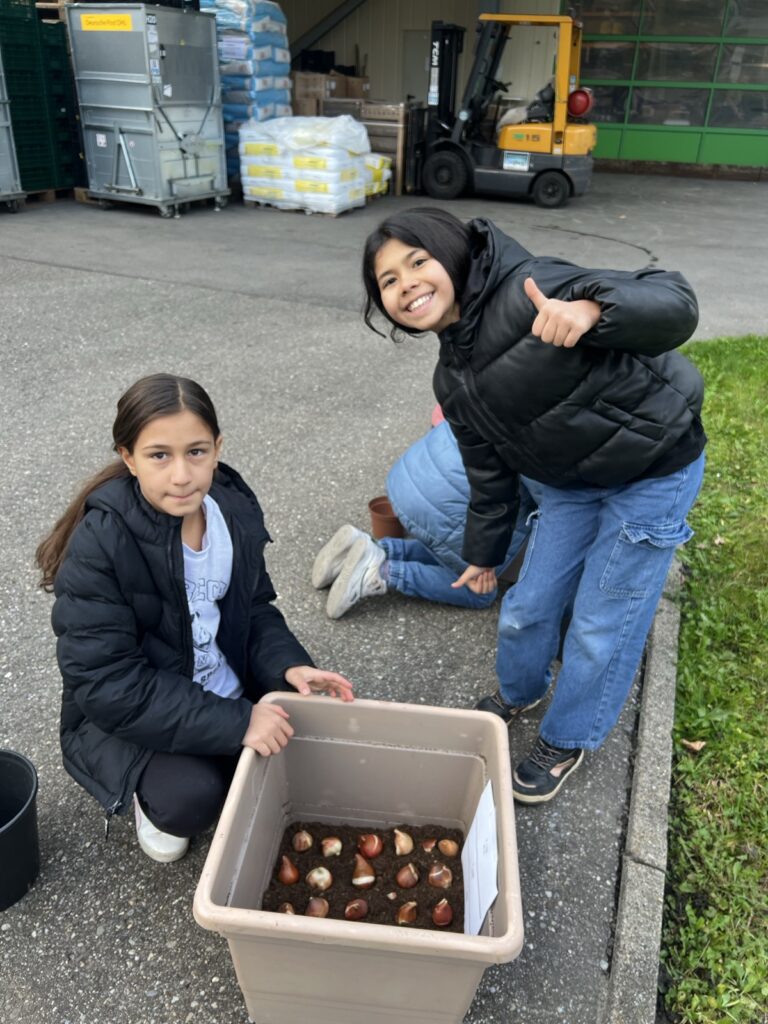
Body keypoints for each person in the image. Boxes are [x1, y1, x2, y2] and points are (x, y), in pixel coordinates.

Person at [361, 207, 706, 805]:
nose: (406, 284)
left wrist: (594, 311)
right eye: (388, 280)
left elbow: (675, 301)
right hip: (570, 484)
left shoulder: (532, 286)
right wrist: (483, 555)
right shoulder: (452, 379)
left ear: (453, 253)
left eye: (418, 262)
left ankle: (567, 737)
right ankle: (522, 692)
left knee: (600, 621)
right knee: (526, 606)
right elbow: (489, 474)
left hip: (653, 471)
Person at [36, 374, 353, 862]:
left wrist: (288, 665)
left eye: (197, 452)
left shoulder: (231, 509)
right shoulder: (100, 544)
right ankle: (146, 796)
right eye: (159, 455)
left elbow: (254, 607)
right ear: (128, 458)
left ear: (217, 448)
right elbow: (107, 684)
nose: (182, 475)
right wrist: (238, 721)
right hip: (132, 715)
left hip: (219, 687)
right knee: (192, 798)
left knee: (314, 741)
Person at [313, 416, 532, 618]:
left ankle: (373, 547)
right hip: (453, 504)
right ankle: (378, 572)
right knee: (481, 591)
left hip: (411, 474)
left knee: (452, 549)